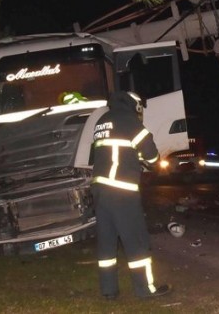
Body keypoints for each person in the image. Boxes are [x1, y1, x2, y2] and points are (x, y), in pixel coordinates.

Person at [91, 91, 171, 300]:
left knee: (107, 243)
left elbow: (107, 153)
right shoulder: (129, 122)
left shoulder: (102, 121)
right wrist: (152, 164)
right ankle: (145, 290)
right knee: (136, 241)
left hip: (100, 190)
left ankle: (109, 291)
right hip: (121, 191)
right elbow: (151, 154)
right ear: (134, 105)